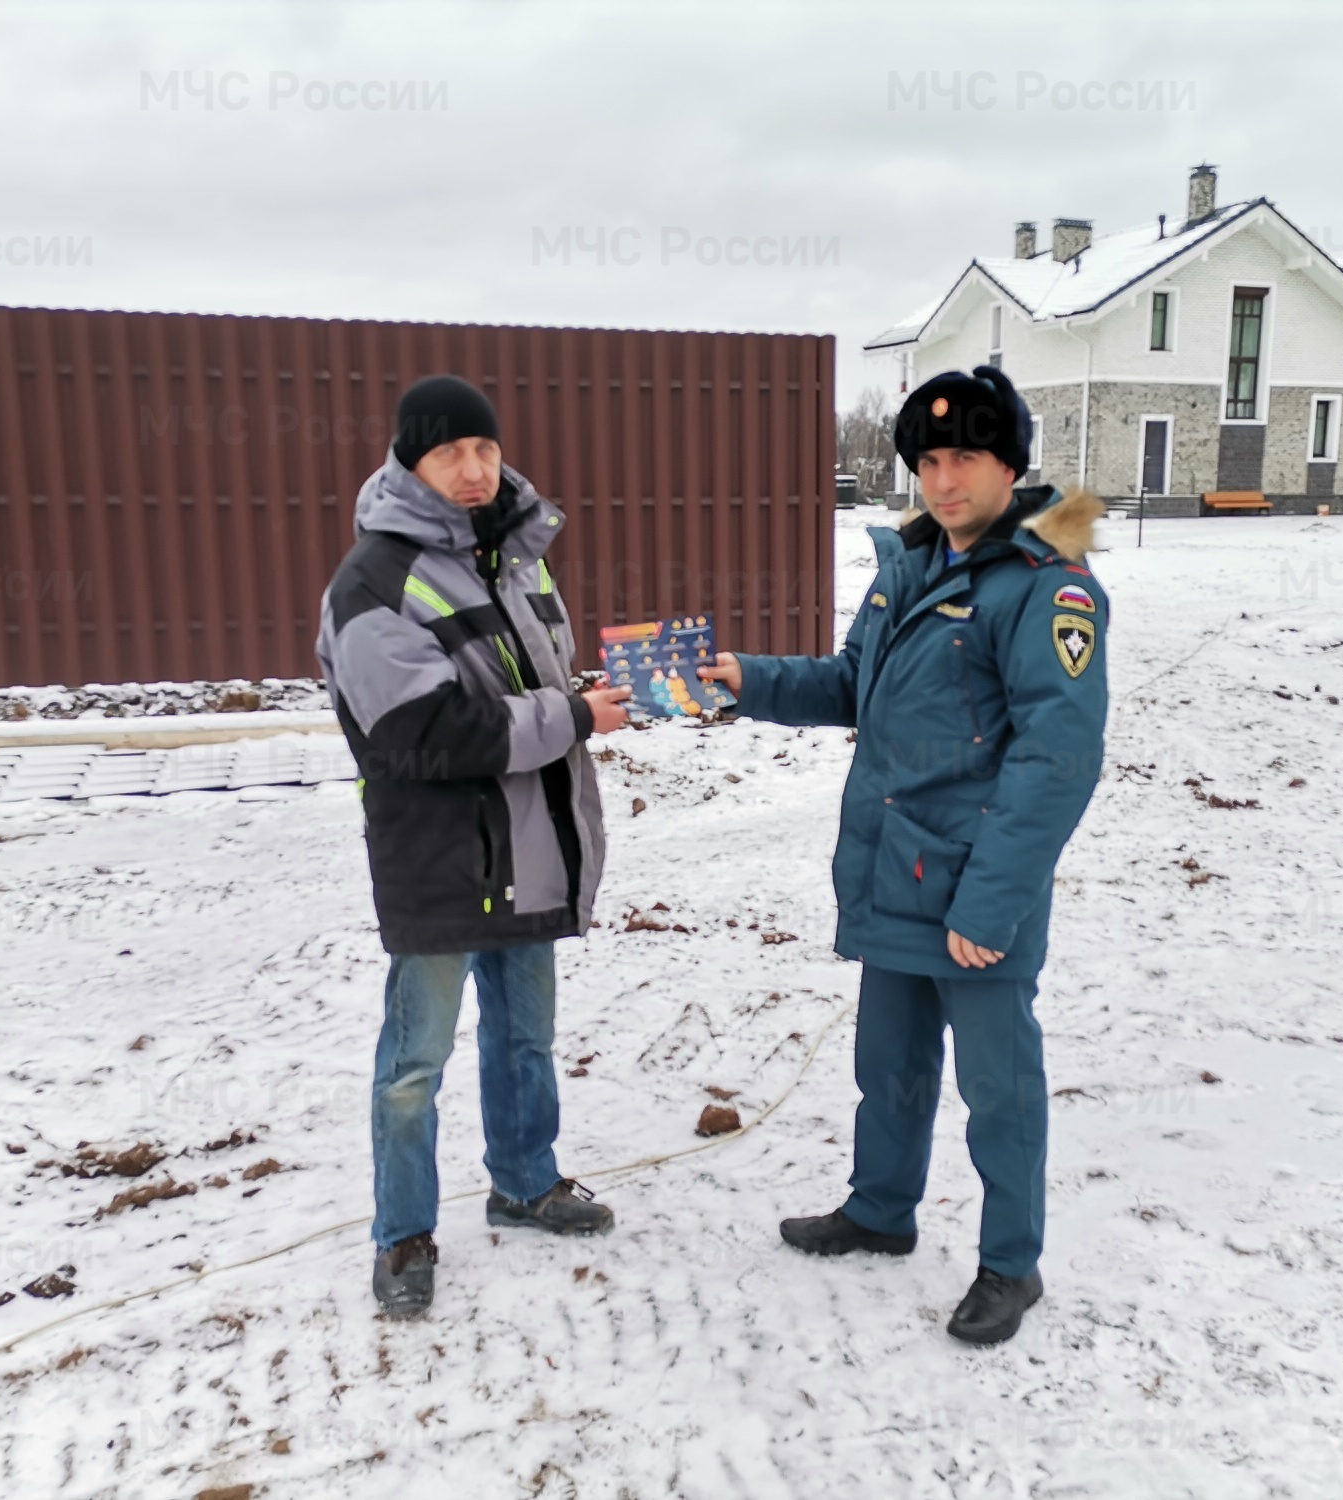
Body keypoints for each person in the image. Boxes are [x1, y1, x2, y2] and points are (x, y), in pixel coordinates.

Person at [700, 364, 1107, 1346]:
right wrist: (746, 680)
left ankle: (1010, 1263)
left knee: (996, 1089)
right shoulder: (908, 568)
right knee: (886, 1066)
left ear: (1009, 465)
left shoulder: (1044, 588)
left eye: (963, 456)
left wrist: (990, 905)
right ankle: (880, 1209)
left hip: (973, 889)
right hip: (895, 869)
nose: (941, 479)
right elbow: (853, 684)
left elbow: (1056, 761)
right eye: (927, 460)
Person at [317, 375, 633, 1318]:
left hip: (527, 846)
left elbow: (526, 682)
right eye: (451, 450)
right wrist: (573, 714)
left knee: (525, 1038)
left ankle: (525, 1183)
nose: (475, 468)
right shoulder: (373, 581)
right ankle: (403, 1233)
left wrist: (586, 696)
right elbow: (426, 731)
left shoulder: (518, 557)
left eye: (487, 449)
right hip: (440, 861)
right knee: (415, 1064)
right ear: (409, 461)